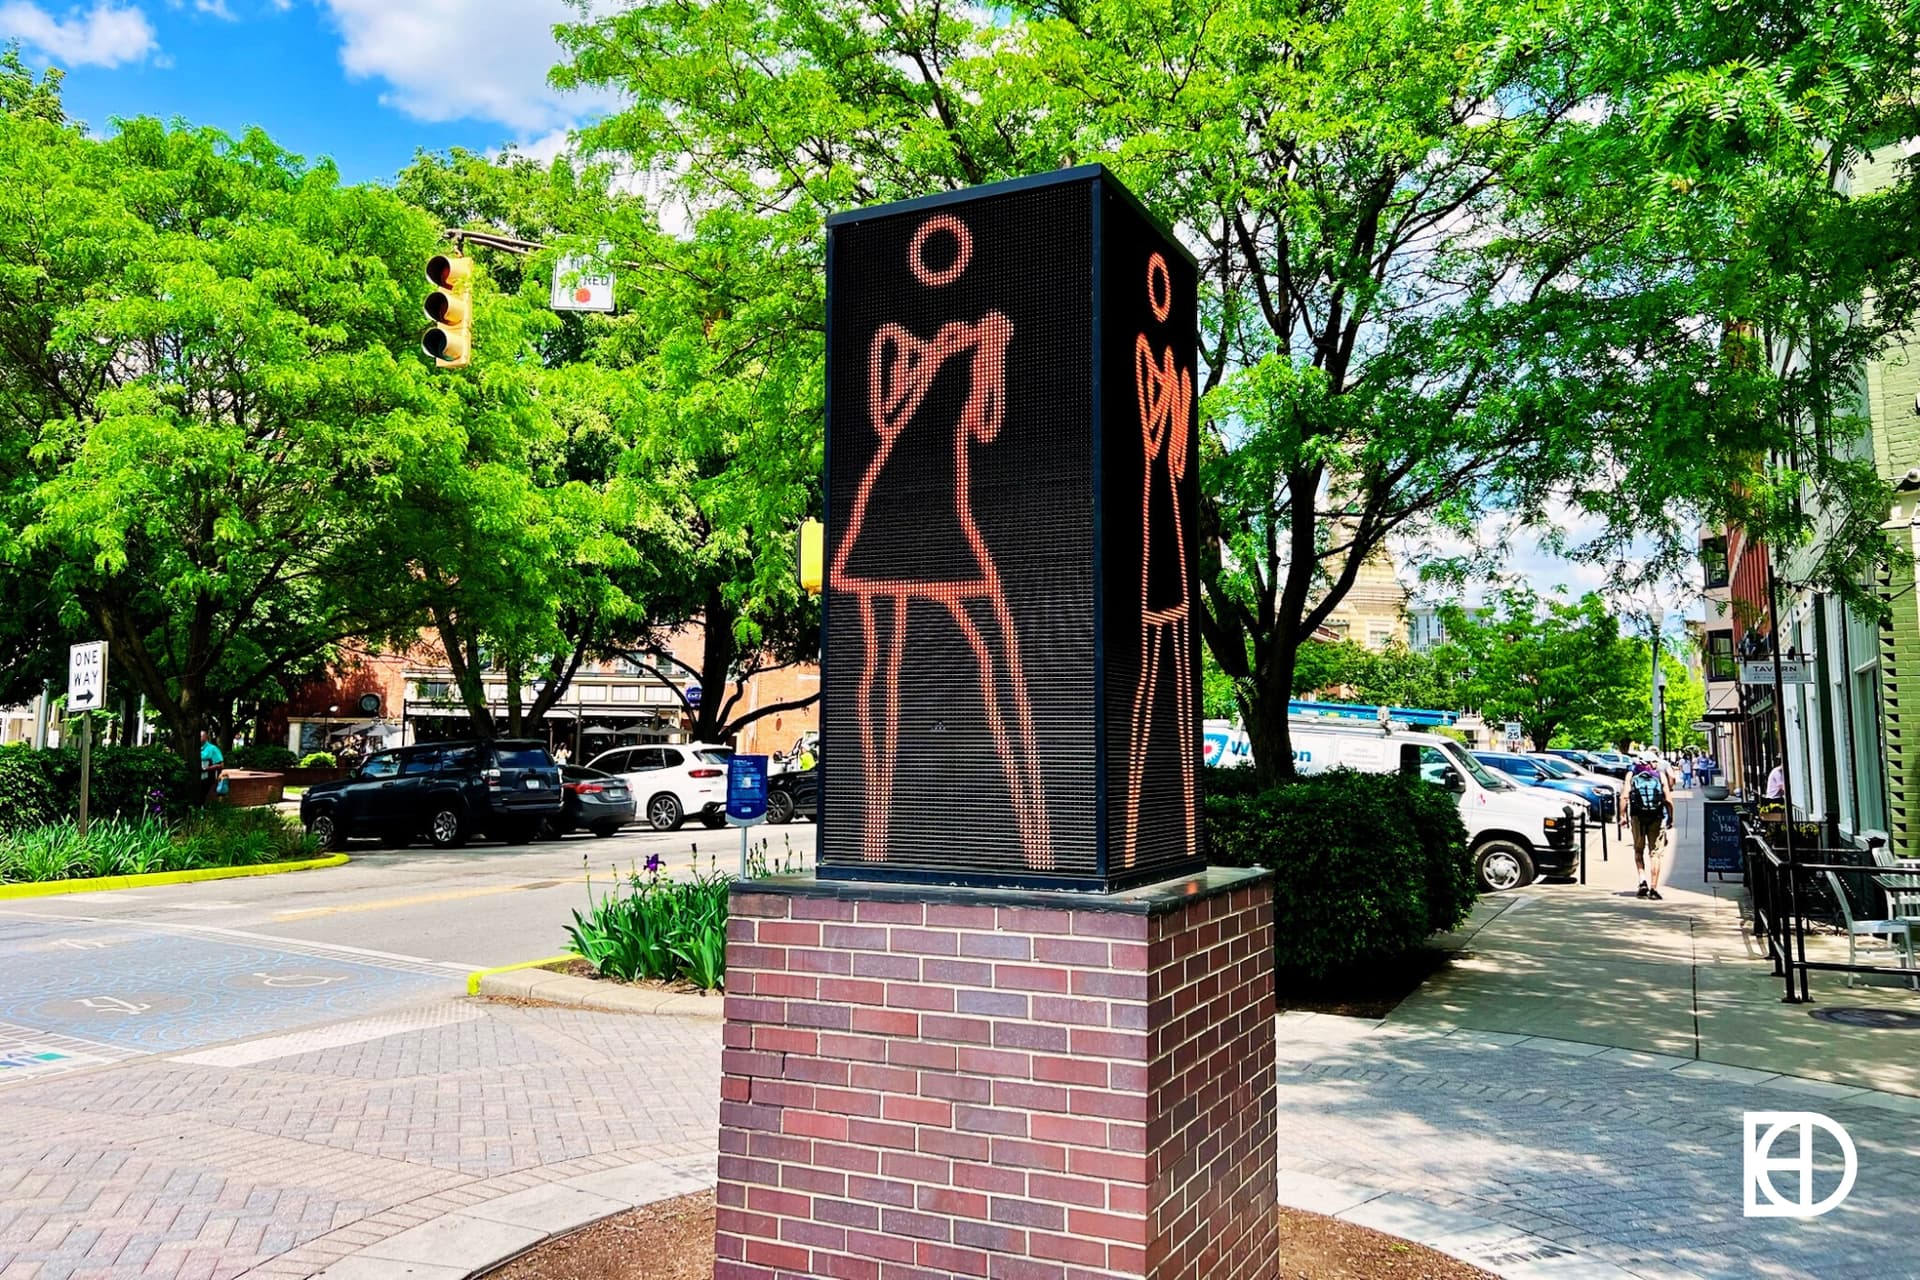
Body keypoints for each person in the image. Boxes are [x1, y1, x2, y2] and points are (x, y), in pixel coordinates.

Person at [1622, 748, 1674, 899]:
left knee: (1638, 851)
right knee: (1655, 854)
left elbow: (1624, 797)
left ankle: (1642, 879)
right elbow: (1668, 800)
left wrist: (1622, 815)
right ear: (1652, 763)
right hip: (1656, 817)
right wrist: (1670, 817)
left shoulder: (1631, 775)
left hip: (1637, 816)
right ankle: (1654, 888)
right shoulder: (1660, 776)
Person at [199, 730, 225, 804]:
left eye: (200, 736)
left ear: (206, 737)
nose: (199, 738)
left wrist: (206, 769)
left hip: (208, 777)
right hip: (197, 777)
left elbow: (221, 765)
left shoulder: (213, 749)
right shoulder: (195, 749)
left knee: (202, 795)